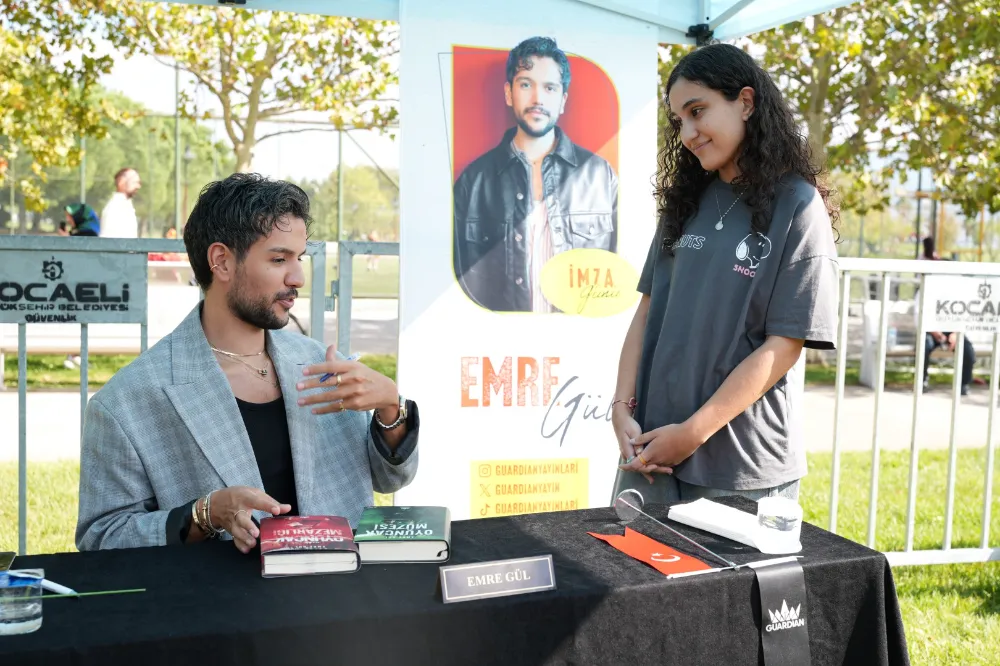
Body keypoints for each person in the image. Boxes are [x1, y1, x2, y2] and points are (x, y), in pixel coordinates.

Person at [76, 173, 419, 552]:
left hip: (339, 598)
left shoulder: (323, 365)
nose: (298, 277)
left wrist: (392, 409)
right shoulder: (127, 402)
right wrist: (202, 515)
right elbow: (102, 538)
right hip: (220, 607)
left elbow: (390, 479)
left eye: (299, 257)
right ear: (221, 261)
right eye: (278, 259)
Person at [612, 44, 840, 503]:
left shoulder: (797, 205)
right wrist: (620, 407)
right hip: (651, 452)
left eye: (698, 111)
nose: (689, 133)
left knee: (731, 579)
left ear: (747, 102)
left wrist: (692, 433)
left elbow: (784, 346)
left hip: (740, 465)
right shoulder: (685, 204)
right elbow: (648, 310)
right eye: (679, 120)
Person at [453, 36, 618, 313]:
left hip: (579, 340)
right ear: (509, 93)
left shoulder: (600, 176)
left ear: (563, 100)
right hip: (500, 345)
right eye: (526, 84)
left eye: (550, 88)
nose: (538, 98)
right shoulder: (474, 180)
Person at [920, 236, 976, 395]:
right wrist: (933, 331)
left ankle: (963, 384)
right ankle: (921, 380)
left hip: (952, 330)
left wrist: (956, 334)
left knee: (968, 352)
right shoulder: (929, 284)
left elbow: (965, 313)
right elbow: (920, 311)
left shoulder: (959, 289)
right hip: (930, 330)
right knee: (924, 346)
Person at [99, 167, 141, 238]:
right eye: (134, 182)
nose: (138, 186)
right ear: (121, 182)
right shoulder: (114, 208)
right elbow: (107, 240)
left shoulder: (125, 205)